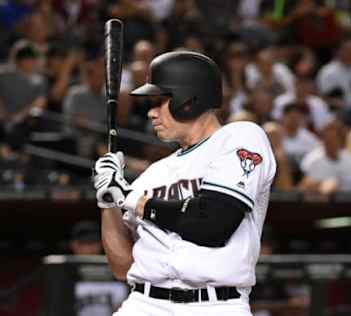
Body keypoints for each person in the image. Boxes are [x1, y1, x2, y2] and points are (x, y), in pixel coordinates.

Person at [92, 51, 276, 316]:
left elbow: (213, 223)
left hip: (216, 305)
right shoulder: (152, 175)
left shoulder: (240, 137)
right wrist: (108, 200)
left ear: (188, 99)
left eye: (159, 101)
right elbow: (122, 268)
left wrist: (129, 198)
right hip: (145, 304)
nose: (151, 113)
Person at [69, 221, 129, 316]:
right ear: (74, 245)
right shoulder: (64, 271)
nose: (90, 248)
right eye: (84, 243)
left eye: (93, 243)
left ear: (101, 244)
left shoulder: (115, 270)